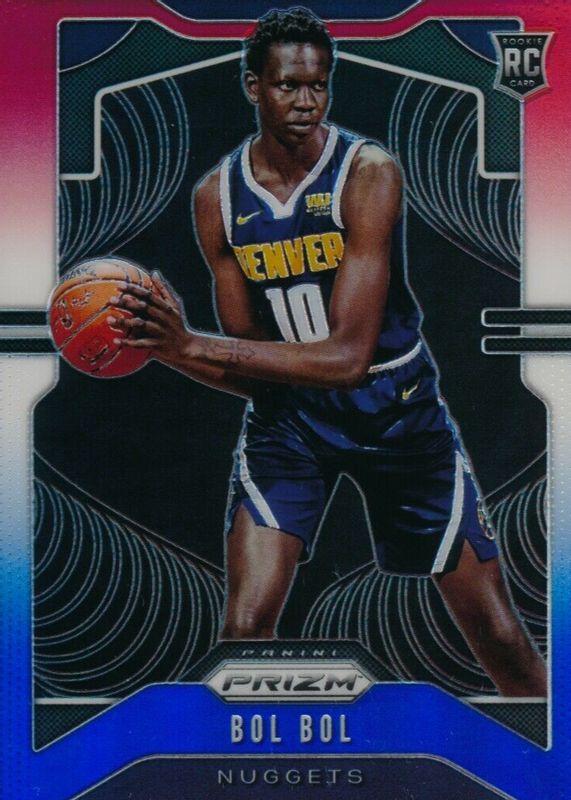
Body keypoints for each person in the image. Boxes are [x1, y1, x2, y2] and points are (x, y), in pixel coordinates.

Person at [108, 7, 546, 696]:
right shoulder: (217, 197)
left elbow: (346, 360)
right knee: (244, 628)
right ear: (254, 86)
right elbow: (252, 369)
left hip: (397, 412)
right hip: (291, 423)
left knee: (499, 634)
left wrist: (191, 341)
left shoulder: (367, 173)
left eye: (318, 85)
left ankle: (555, 751)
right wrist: (163, 347)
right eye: (289, 85)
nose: (306, 100)